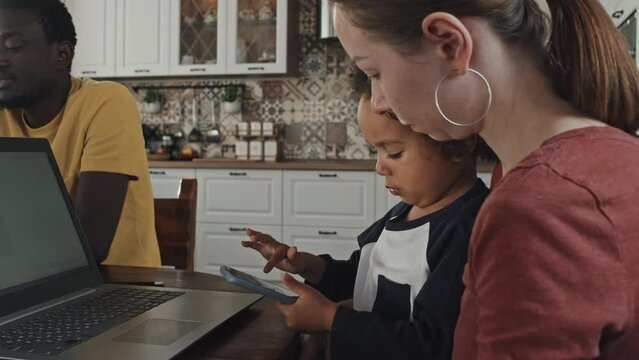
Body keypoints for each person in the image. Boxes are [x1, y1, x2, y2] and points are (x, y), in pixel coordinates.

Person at [331, 0, 639, 358]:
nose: (380, 102)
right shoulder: (545, 170)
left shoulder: (537, 208)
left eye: (375, 72)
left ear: (450, 44)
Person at [241, 66, 489, 359]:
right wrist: (306, 265)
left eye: (393, 152)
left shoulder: (468, 231)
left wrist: (330, 319)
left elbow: (430, 343)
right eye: (376, 152)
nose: (379, 167)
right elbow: (361, 277)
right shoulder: (401, 215)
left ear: (459, 143)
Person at [0, 0, 160, 267]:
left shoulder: (106, 101)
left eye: (12, 46)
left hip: (118, 287)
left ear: (62, 54)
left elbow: (89, 246)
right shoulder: (5, 112)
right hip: (29, 281)